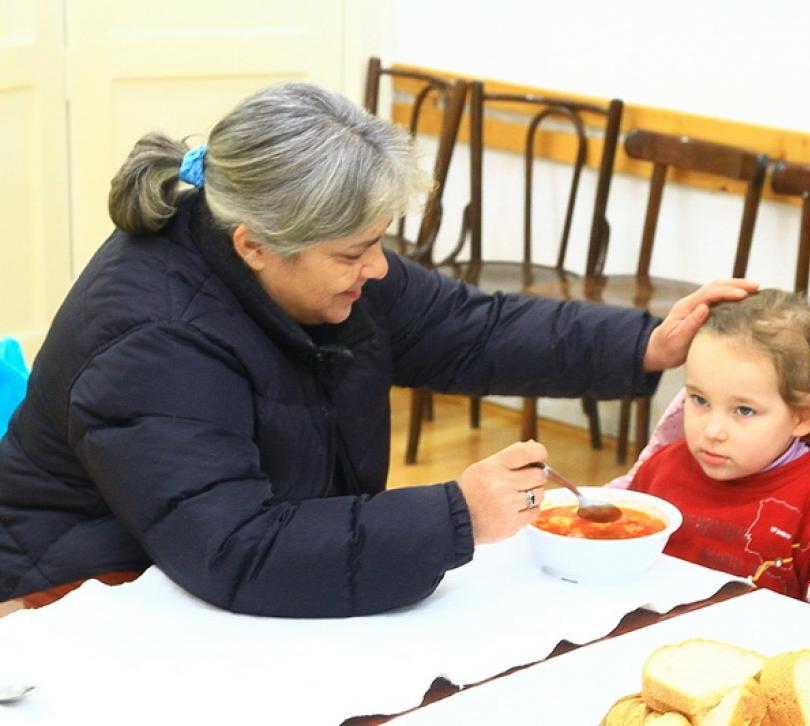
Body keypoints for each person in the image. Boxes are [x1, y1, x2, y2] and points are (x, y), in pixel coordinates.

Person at [0, 81, 756, 618]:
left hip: (210, 575)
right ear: (256, 246)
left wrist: (646, 343)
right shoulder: (152, 337)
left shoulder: (326, 262)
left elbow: (472, 328)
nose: (379, 270)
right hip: (75, 599)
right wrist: (457, 515)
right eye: (355, 252)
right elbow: (236, 547)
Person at [627, 289, 810, 614]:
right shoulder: (658, 472)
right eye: (700, 400)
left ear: (803, 416)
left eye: (743, 410)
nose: (713, 432)